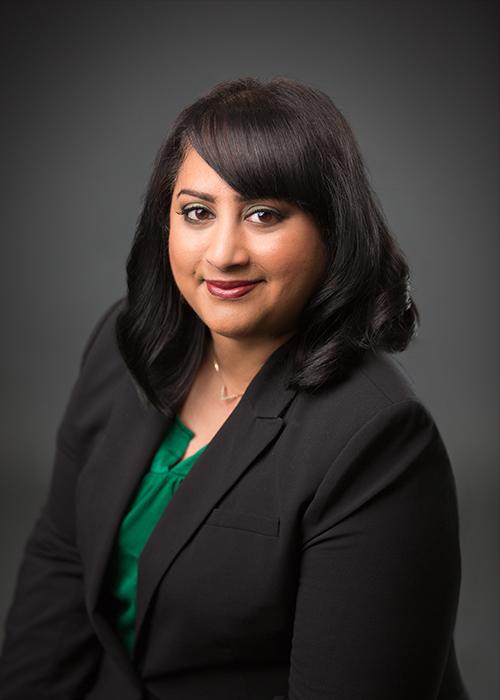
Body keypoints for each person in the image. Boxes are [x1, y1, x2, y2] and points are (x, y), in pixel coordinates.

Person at [0, 76, 470, 700]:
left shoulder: (377, 436)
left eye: (264, 214)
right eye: (197, 212)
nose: (224, 253)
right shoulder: (122, 346)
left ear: (333, 230)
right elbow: (61, 562)